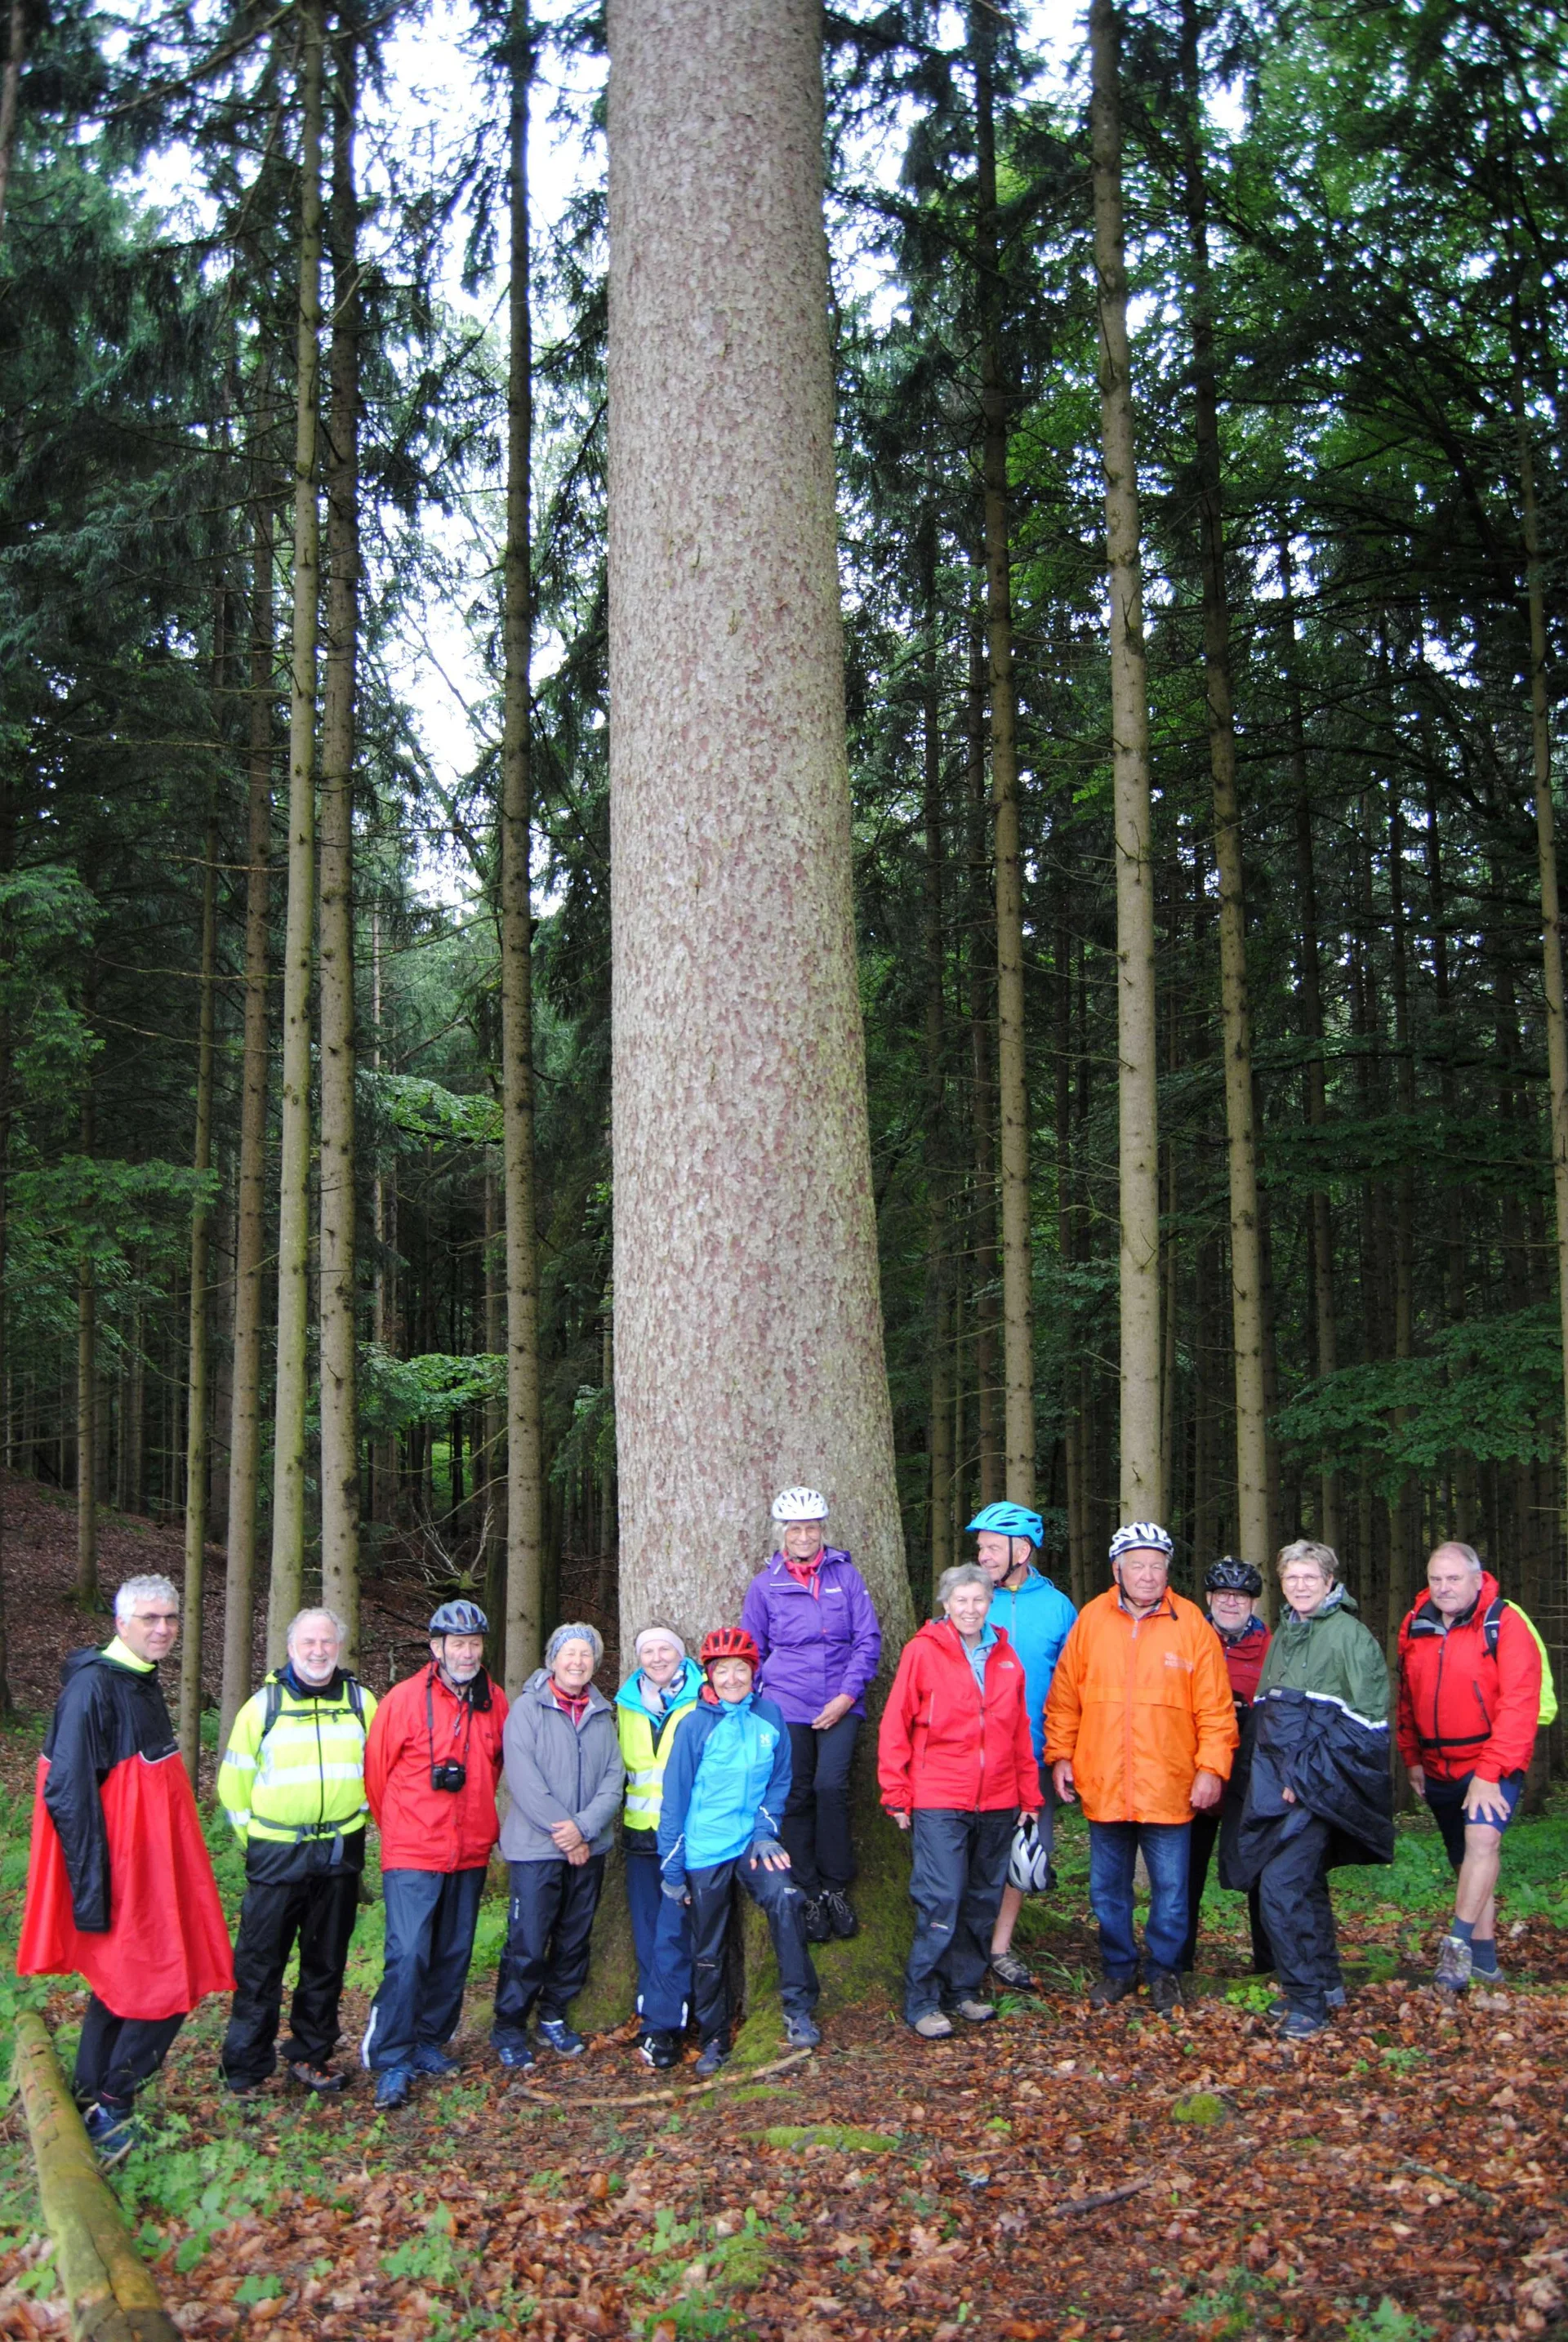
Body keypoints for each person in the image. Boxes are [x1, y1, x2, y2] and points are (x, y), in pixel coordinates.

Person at [17, 1575, 234, 2162]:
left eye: (170, 1618)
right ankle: (113, 2107)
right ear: (121, 1624)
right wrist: (92, 1892)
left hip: (152, 1872)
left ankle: (88, 2092)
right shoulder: (94, 1690)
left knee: (123, 1989)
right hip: (122, 1878)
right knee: (164, 1987)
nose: (162, 1629)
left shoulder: (138, 1680)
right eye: (149, 1620)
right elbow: (66, 1794)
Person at [1045, 1524, 1236, 2019]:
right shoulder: (1091, 1620)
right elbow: (1065, 1697)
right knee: (1107, 1890)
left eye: (1156, 1565)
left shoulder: (1192, 1623)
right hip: (1104, 1779)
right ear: (1118, 1569)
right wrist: (1061, 1755)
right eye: (1137, 1564)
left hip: (1170, 1785)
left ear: (1168, 1571)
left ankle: (1165, 1972)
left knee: (1171, 1893)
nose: (1147, 1574)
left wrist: (1211, 1767)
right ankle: (1118, 1968)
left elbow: (1216, 1708)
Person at [1230, 1539, 1393, 2041]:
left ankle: (1306, 2003)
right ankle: (1324, 1983)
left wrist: (1302, 1781)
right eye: (1292, 1578)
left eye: (1309, 1578)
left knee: (1281, 1890)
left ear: (1329, 1581)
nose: (1300, 1586)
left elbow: (1367, 1724)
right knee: (1305, 1888)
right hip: (1278, 1789)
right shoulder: (1287, 1634)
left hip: (1316, 1790)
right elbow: (1272, 1719)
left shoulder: (1350, 1637)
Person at [642, 1626, 822, 2077]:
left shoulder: (770, 1716)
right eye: (723, 1671)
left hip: (751, 1841)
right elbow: (675, 1799)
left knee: (785, 1898)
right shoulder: (694, 1725)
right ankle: (713, 2036)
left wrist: (766, 1830)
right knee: (708, 1943)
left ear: (753, 1672)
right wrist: (673, 1868)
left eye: (741, 1670)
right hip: (703, 1847)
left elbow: (781, 1780)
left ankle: (798, 2008)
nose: (732, 1680)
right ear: (710, 1675)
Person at [878, 1563, 1042, 2041]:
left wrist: (1028, 1795)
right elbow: (896, 1725)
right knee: (941, 1896)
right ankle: (922, 1998)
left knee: (981, 1897)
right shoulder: (922, 1652)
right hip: (939, 1796)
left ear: (990, 1603)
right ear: (946, 1604)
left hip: (997, 1798)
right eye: (961, 1600)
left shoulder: (1007, 1656)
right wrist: (897, 1791)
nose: (970, 1609)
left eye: (979, 1600)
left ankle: (964, 1989)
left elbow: (1017, 1733)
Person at [218, 1606, 377, 2096]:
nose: (318, 1651)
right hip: (276, 1855)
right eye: (309, 1642)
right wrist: (259, 1840)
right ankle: (245, 2070)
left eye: (327, 1642)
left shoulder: (361, 1702)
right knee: (259, 1965)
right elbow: (232, 1787)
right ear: (290, 1649)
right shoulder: (261, 1707)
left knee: (326, 1962)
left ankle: (311, 2056)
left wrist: (358, 1822)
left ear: (339, 1647)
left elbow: (382, 1770)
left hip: (338, 1853)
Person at [360, 1599, 508, 2109]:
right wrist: (403, 1829)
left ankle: (429, 2041)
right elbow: (376, 1775)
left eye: (474, 1644)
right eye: (457, 1644)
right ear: (436, 1647)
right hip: (412, 1850)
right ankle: (391, 2056)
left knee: (452, 1953)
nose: (466, 1654)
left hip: (469, 1850)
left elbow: (497, 1764)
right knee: (408, 1954)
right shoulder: (401, 1700)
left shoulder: (495, 1701)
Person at [1396, 1540, 1544, 1995]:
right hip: (1437, 1763)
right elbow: (1407, 1696)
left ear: (1478, 1579)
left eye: (1454, 1578)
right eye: (1436, 1579)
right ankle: (1484, 1963)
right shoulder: (1415, 1624)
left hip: (1491, 1760)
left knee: (1482, 1839)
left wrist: (1489, 1772)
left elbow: (1520, 1703)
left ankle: (1456, 1946)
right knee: (1467, 1862)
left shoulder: (1505, 1622)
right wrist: (1412, 1757)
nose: (1444, 1588)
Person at [741, 1487, 881, 1944]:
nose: (804, 1536)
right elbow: (753, 1649)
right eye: (795, 1529)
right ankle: (809, 1890)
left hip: (840, 1698)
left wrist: (846, 1695)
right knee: (797, 1792)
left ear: (823, 1530)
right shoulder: (766, 1585)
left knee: (831, 1786)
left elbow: (868, 1640)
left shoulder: (846, 1576)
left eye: (812, 1527)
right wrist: (761, 1702)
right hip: (787, 1702)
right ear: (783, 1533)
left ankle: (837, 1885)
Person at [491, 1623, 625, 2071]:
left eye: (586, 1654)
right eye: (569, 1653)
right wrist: (565, 1832)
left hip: (589, 1847)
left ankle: (553, 2013)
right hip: (536, 1849)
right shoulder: (528, 1709)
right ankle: (509, 2025)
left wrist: (584, 1830)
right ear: (552, 1659)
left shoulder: (603, 1713)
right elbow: (524, 1779)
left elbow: (613, 1778)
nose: (577, 1661)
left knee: (573, 1939)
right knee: (528, 1942)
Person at [969, 1502, 1076, 1991]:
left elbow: (1074, 1686)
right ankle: (962, 1943)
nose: (983, 1555)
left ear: (1022, 1550)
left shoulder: (1057, 1608)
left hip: (1032, 1755)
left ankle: (1000, 1948)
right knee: (970, 1849)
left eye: (992, 1547)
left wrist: (1065, 1753)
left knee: (1024, 1856)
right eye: (981, 1547)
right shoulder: (968, 1599)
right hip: (970, 1754)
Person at [614, 1623, 704, 2066]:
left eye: (664, 1649)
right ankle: (657, 2013)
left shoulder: (702, 1698)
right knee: (649, 1932)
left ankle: (666, 2025)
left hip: (689, 1837)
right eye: (647, 1651)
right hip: (640, 1836)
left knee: (676, 1931)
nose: (656, 1658)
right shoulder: (627, 1704)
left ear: (680, 1655)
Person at [1179, 1558, 1273, 1978]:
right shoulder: (1186, 1638)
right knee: (1184, 1879)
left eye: (1239, 1596)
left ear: (1252, 1602)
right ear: (1209, 1599)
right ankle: (1176, 1966)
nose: (1231, 1603)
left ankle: (1269, 1966)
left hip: (1250, 1780)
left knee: (1260, 1874)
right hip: (1193, 1774)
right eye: (1223, 1595)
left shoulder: (1272, 1648)